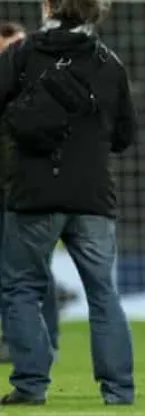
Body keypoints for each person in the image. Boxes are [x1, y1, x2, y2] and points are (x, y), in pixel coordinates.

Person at [0, 0, 137, 405]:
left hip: (34, 194)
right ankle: (118, 390)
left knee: (21, 288)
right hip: (93, 196)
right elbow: (124, 137)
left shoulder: (22, 54)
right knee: (103, 293)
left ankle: (30, 385)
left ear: (49, 6)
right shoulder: (109, 63)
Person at [0, 22, 62, 364]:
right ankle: (15, 337)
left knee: (34, 267)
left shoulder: (44, 86)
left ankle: (45, 338)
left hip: (32, 190)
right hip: (7, 191)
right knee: (10, 271)